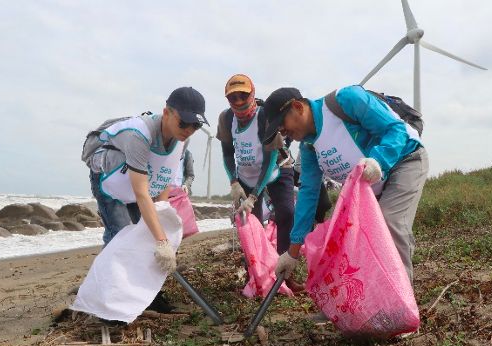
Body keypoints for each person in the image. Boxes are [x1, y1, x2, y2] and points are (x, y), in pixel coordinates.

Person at [263, 85, 429, 284]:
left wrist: (379, 160)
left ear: (298, 107)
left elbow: (395, 129)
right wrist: (292, 252)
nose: (282, 132)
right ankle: (348, 306)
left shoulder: (346, 100)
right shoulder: (309, 146)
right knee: (341, 236)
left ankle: (400, 303)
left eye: (281, 124)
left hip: (405, 161)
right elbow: (308, 195)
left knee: (388, 223)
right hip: (368, 185)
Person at [81, 86, 208, 312]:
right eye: (184, 123)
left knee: (148, 234)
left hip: (139, 180)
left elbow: (163, 175)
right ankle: (105, 300)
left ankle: (150, 295)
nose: (189, 130)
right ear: (166, 112)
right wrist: (162, 241)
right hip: (109, 179)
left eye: (196, 126)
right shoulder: (139, 135)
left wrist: (162, 220)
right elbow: (141, 193)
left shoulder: (182, 140)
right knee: (119, 234)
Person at [216, 74, 301, 292]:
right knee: (249, 226)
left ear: (252, 94)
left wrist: (254, 196)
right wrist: (234, 182)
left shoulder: (264, 117)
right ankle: (255, 274)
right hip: (246, 173)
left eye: (243, 95)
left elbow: (270, 159)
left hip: (276, 168)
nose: (238, 101)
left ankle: (285, 274)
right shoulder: (226, 119)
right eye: (232, 97)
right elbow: (227, 154)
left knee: (286, 213)